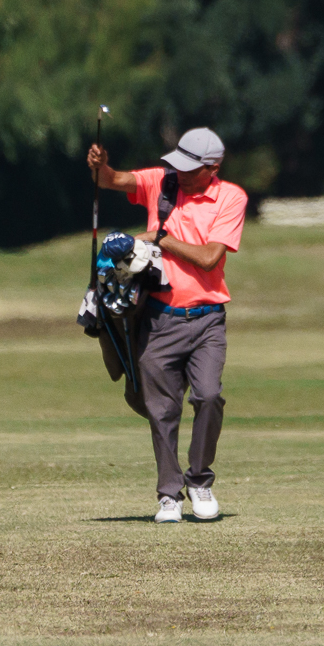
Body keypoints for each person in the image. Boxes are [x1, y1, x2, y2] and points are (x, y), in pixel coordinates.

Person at [86, 128, 247, 523]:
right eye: (179, 165)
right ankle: (168, 495)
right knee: (162, 410)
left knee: (209, 397)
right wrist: (100, 166)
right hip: (158, 319)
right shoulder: (162, 181)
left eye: (191, 169)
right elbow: (112, 180)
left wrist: (160, 238)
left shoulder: (231, 197)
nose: (181, 174)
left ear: (213, 168)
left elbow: (208, 258)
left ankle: (200, 480)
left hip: (207, 319)